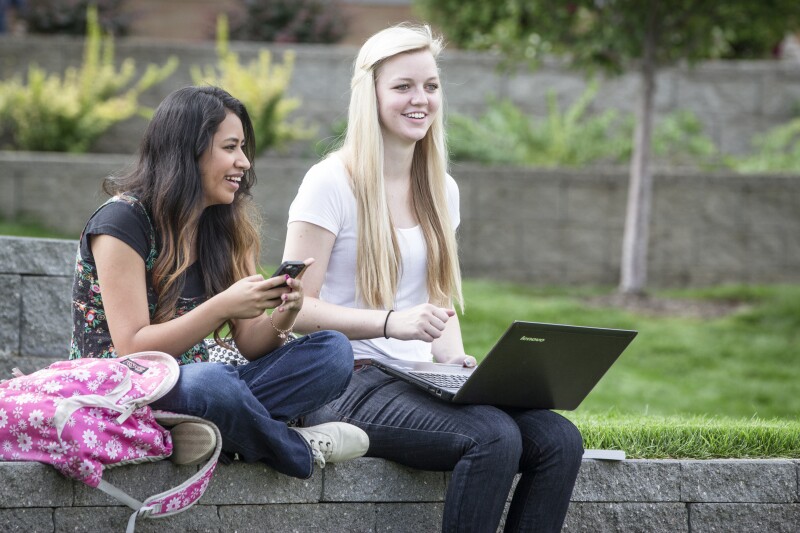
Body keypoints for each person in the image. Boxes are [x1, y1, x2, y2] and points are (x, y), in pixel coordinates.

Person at [283, 24, 584, 532]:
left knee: (559, 440)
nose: (420, 98)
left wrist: (456, 365)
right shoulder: (329, 182)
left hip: (418, 378)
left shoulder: (442, 189)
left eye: (431, 85)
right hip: (343, 380)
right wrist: (389, 323)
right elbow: (292, 309)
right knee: (492, 437)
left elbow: (436, 298)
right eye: (403, 86)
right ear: (370, 94)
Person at [70, 85, 368, 478]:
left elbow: (250, 343)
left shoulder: (225, 226)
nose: (244, 162)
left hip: (199, 387)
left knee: (332, 352)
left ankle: (205, 432)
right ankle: (295, 448)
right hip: (124, 393)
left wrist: (282, 316)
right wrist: (222, 306)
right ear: (187, 151)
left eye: (244, 148)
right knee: (214, 383)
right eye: (230, 147)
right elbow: (133, 349)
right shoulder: (122, 222)